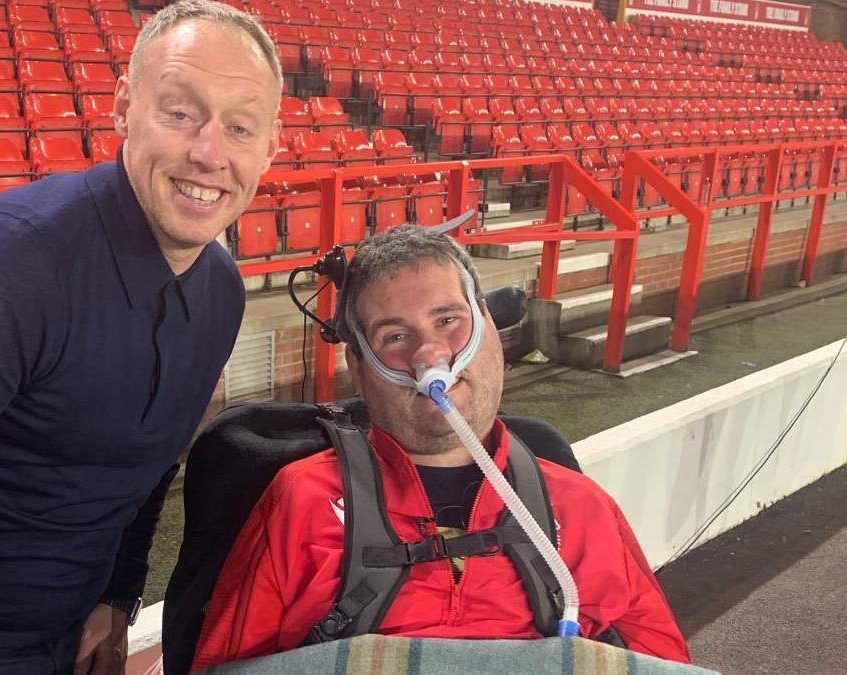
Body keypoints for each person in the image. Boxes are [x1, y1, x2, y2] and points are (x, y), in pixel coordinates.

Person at [0, 2, 282, 673]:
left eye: (239, 127)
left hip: (69, 621)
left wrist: (118, 594)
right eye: (179, 112)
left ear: (269, 149)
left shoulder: (222, 290)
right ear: (123, 107)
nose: (209, 153)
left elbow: (152, 466)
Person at [192, 226, 691, 671]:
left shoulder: (583, 508)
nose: (429, 354)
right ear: (361, 369)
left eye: (448, 319)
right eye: (395, 335)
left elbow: (660, 663)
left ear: (490, 329)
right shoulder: (300, 502)